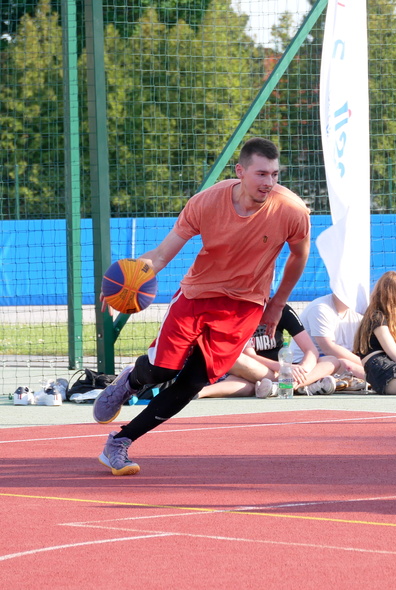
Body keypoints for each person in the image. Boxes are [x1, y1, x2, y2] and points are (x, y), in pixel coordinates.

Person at [92, 137, 311, 476]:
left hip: (245, 305)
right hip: (197, 295)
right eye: (261, 174)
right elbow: (163, 254)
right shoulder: (206, 203)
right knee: (163, 371)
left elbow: (299, 255)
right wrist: (128, 278)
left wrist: (277, 303)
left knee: (193, 383)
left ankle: (119, 442)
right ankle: (130, 383)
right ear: (240, 171)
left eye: (275, 174)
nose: (269, 183)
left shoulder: (291, 210)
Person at [196, 303, 341, 399]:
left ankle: (285, 386)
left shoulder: (282, 310)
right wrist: (284, 368)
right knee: (237, 361)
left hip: (277, 374)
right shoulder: (239, 313)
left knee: (331, 361)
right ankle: (301, 386)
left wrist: (303, 370)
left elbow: (310, 350)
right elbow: (249, 355)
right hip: (254, 368)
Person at [291, 291, 366, 380]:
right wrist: (367, 365)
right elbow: (329, 349)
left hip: (336, 362)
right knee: (345, 364)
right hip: (304, 364)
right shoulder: (320, 308)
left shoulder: (358, 313)